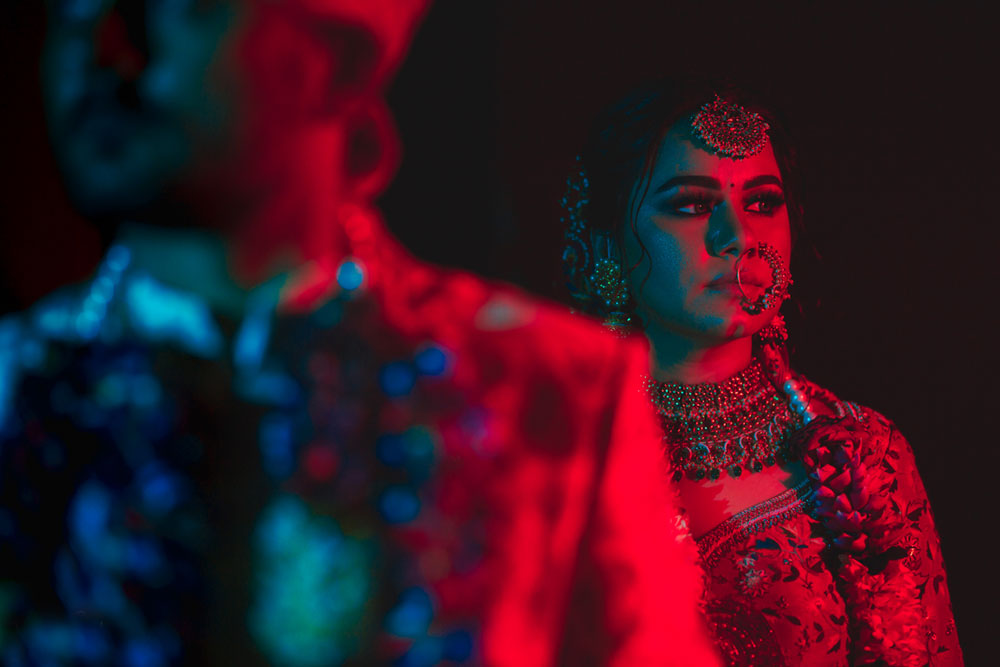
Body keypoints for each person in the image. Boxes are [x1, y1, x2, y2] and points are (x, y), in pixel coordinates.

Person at [0, 2, 720, 664]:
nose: (103, 53)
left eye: (178, 7)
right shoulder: (12, 390)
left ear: (336, 63)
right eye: (70, 10)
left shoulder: (551, 392)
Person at [562, 79, 963, 666]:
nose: (739, 237)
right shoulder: (554, 456)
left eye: (762, 203)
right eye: (691, 205)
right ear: (609, 244)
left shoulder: (866, 455)